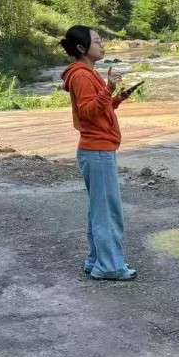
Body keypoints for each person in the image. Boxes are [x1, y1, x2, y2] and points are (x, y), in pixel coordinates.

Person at [60, 25, 138, 281]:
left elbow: (99, 109)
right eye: (96, 41)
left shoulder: (86, 73)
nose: (102, 44)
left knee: (99, 209)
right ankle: (109, 266)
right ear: (81, 47)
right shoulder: (82, 76)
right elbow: (87, 113)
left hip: (97, 150)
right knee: (107, 211)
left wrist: (117, 97)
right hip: (97, 150)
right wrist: (108, 88)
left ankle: (97, 260)